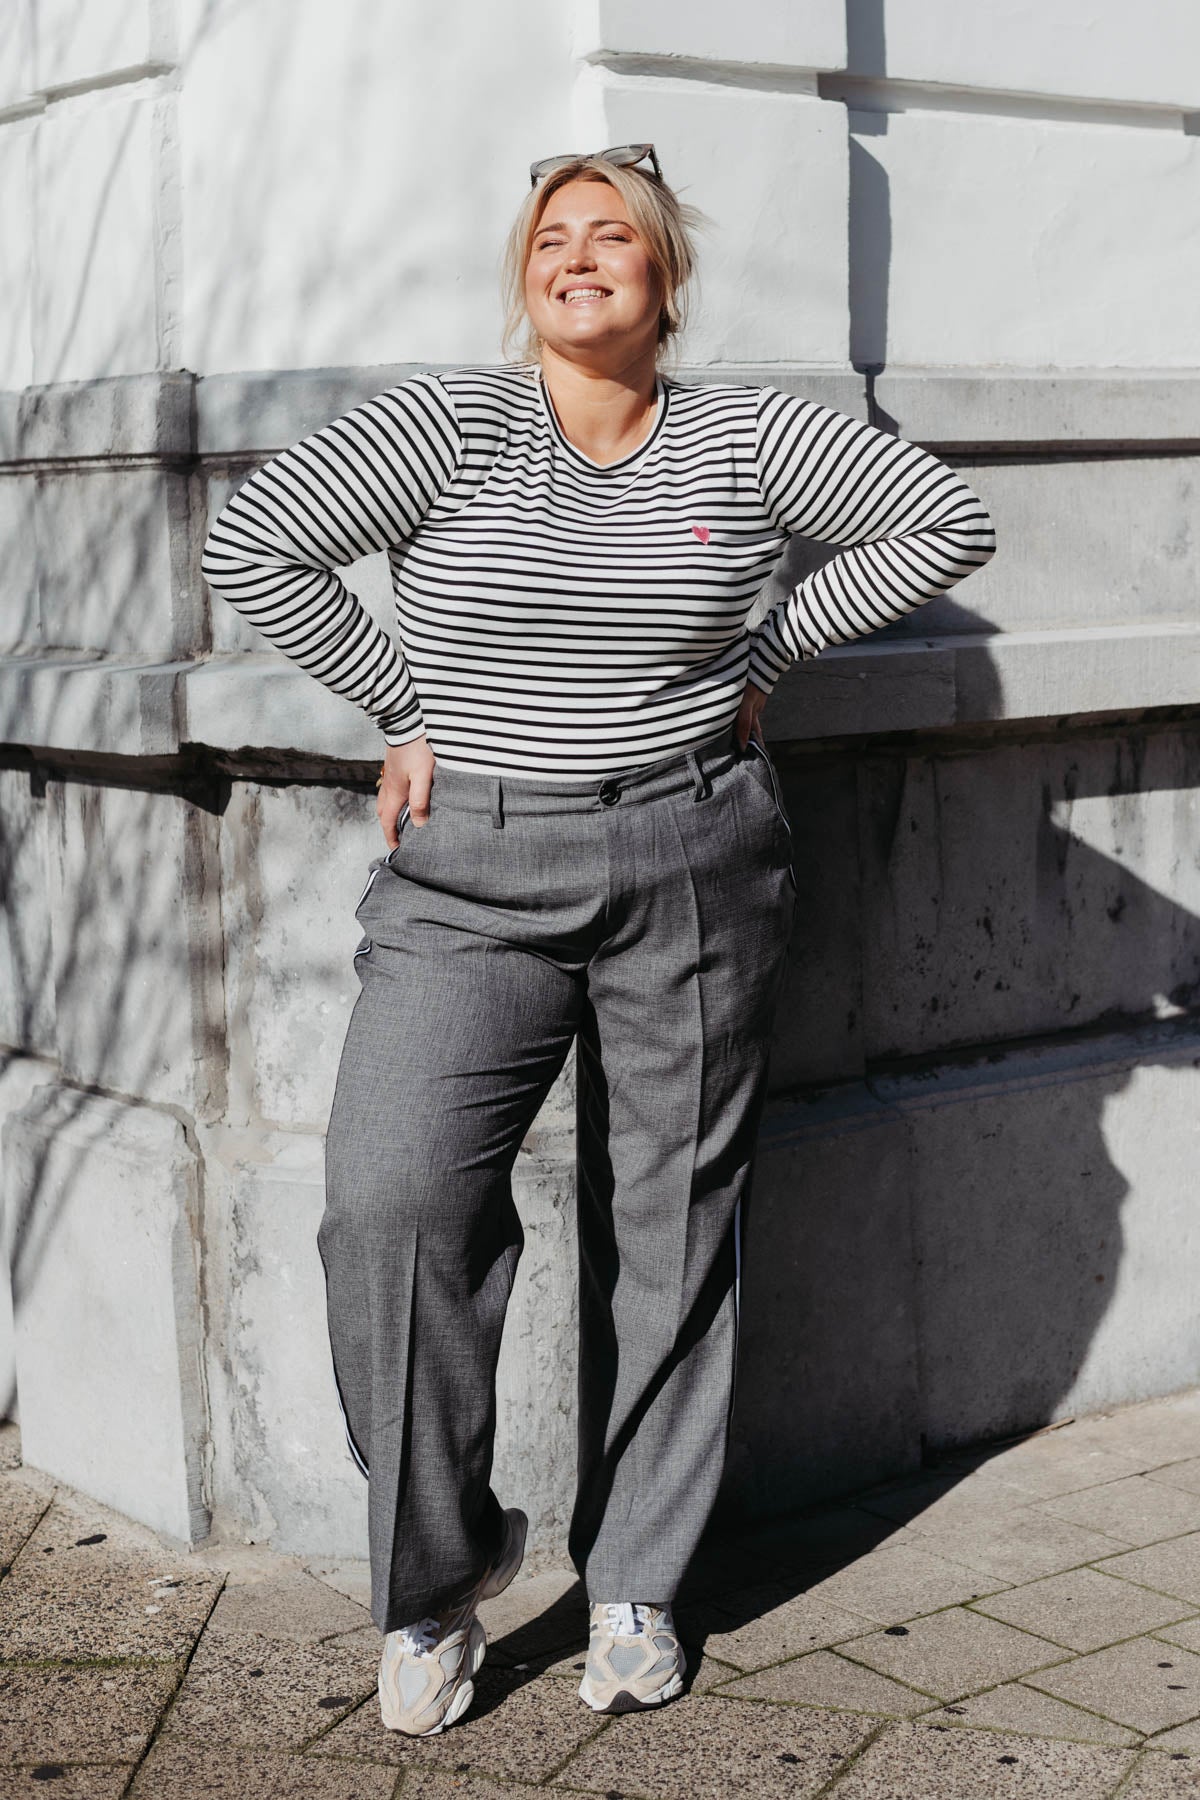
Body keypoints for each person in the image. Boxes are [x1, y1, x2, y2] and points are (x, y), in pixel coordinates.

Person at [200, 141, 997, 1737]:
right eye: (552, 236)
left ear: (663, 274)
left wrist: (768, 649)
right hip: (470, 874)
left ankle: (637, 1577)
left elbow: (944, 522)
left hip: (693, 854)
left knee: (674, 1221)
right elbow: (252, 545)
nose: (578, 255)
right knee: (392, 1206)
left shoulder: (746, 437)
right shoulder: (450, 425)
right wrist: (403, 706)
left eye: (612, 234)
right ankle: (438, 1576)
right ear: (526, 276)